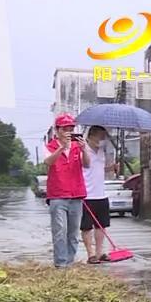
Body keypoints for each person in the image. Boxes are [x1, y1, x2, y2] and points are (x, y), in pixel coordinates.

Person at [44, 114, 90, 267]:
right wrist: (61, 148)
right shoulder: (50, 146)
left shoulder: (78, 146)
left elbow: (87, 164)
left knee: (73, 232)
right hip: (57, 195)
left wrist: (85, 149)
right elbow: (48, 162)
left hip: (76, 194)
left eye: (71, 128)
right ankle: (61, 264)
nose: (69, 132)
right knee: (60, 231)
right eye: (65, 129)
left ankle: (69, 262)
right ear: (57, 130)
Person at [79, 126, 113, 264]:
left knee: (101, 226)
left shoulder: (101, 151)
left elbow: (98, 168)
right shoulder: (82, 149)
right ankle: (91, 254)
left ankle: (100, 252)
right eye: (101, 135)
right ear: (92, 134)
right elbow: (85, 165)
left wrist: (110, 168)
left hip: (101, 193)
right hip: (87, 194)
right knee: (87, 226)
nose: (103, 138)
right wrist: (83, 149)